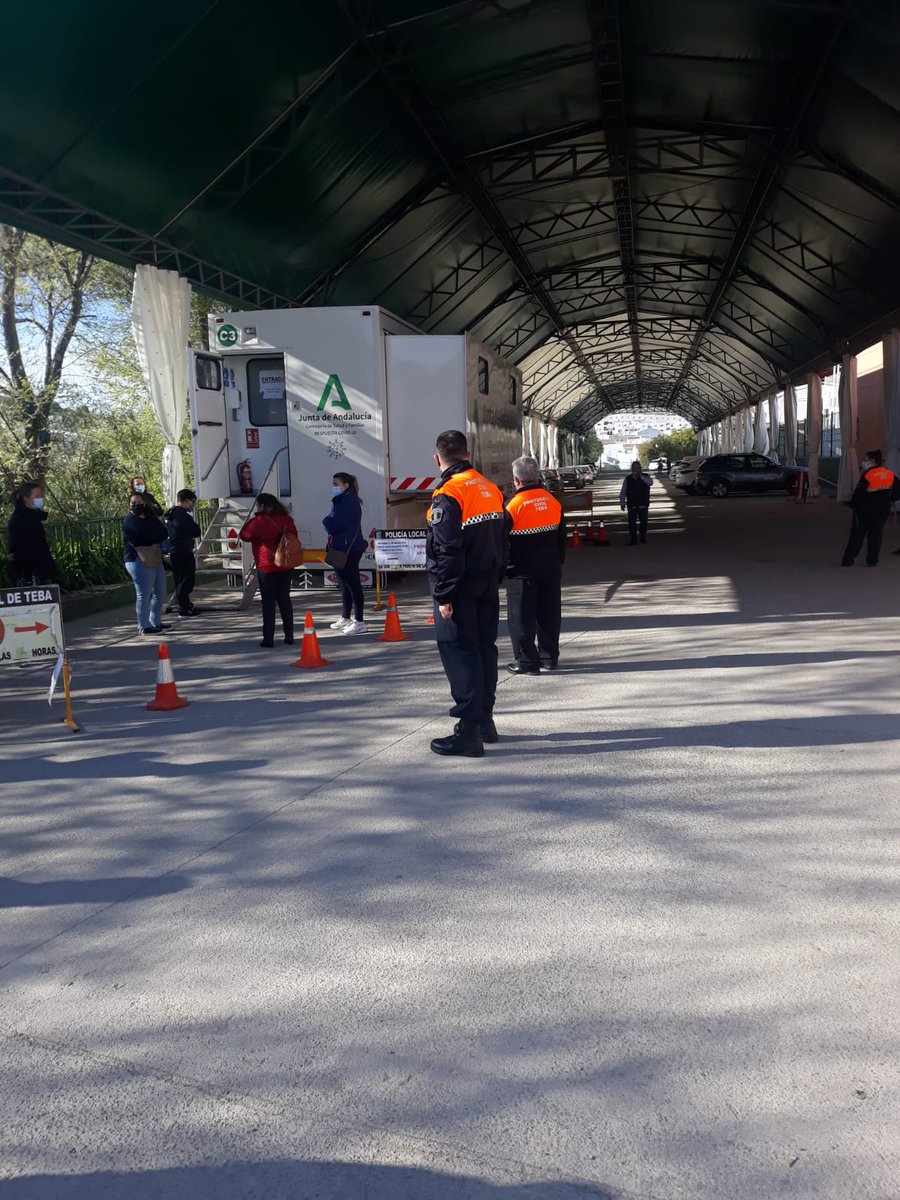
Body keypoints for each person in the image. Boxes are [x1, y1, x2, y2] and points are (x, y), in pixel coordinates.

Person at [426, 429, 506, 758]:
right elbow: (505, 535)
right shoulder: (489, 488)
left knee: (461, 653)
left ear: (438, 458)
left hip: (459, 587)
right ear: (468, 454)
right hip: (487, 583)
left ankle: (468, 733)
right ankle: (485, 720)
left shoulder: (448, 493)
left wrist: (444, 596)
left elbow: (447, 549)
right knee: (485, 650)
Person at [504, 456, 567, 675]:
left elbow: (502, 540)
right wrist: (558, 560)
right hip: (550, 569)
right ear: (537, 476)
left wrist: (504, 566)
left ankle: (527, 662)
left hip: (522, 572)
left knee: (521, 617)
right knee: (549, 615)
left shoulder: (513, 506)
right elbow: (561, 538)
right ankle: (549, 658)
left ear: (516, 480)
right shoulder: (552, 501)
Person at [239, 493, 297, 647]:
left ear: (263, 506)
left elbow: (244, 535)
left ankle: (268, 638)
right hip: (285, 564)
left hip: (267, 566)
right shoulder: (287, 520)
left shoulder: (258, 522)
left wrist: (256, 516)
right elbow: (294, 536)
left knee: (268, 603)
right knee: (285, 599)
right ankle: (289, 636)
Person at [322, 471, 368, 635]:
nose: (333, 487)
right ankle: (346, 616)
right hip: (342, 548)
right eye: (333, 484)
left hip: (349, 549)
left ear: (346, 485)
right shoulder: (343, 500)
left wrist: (326, 521)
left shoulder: (348, 501)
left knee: (352, 584)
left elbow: (333, 523)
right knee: (344, 584)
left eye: (336, 484)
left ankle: (360, 621)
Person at [841, 449, 900, 567]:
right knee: (876, 535)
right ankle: (872, 560)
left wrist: (853, 506)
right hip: (882, 510)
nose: (864, 462)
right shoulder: (888, 473)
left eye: (866, 460)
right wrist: (891, 499)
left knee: (857, 536)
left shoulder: (868, 475)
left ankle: (848, 560)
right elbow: (898, 489)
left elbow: (859, 494)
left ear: (873, 461)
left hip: (865, 511)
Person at [124, 492, 168, 635]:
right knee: (144, 593)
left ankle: (155, 621)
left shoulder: (150, 517)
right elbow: (138, 539)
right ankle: (144, 625)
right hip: (137, 560)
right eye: (133, 504)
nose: (136, 506)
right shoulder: (129, 521)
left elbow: (163, 533)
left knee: (160, 592)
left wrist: (151, 535)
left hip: (154, 557)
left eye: (139, 503)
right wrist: (152, 536)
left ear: (145, 503)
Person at [6, 481, 58, 586]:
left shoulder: (33, 517)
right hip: (27, 571)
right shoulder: (19, 519)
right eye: (37, 496)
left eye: (41, 496)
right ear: (26, 498)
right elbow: (21, 546)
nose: (40, 498)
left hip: (39, 568)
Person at [164, 489, 202, 616]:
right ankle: (184, 608)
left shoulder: (171, 514)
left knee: (180, 580)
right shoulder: (183, 516)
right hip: (183, 551)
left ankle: (184, 604)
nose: (192, 505)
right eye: (192, 502)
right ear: (186, 501)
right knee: (187, 580)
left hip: (175, 551)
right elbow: (196, 531)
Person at [619, 460, 653, 544]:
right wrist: (622, 503)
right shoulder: (628, 479)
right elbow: (623, 492)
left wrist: (641, 476)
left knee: (644, 522)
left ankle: (642, 537)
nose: (636, 470)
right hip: (632, 505)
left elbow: (650, 483)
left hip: (643, 504)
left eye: (637, 468)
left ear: (640, 468)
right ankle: (633, 539)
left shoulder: (646, 476)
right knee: (631, 524)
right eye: (634, 468)